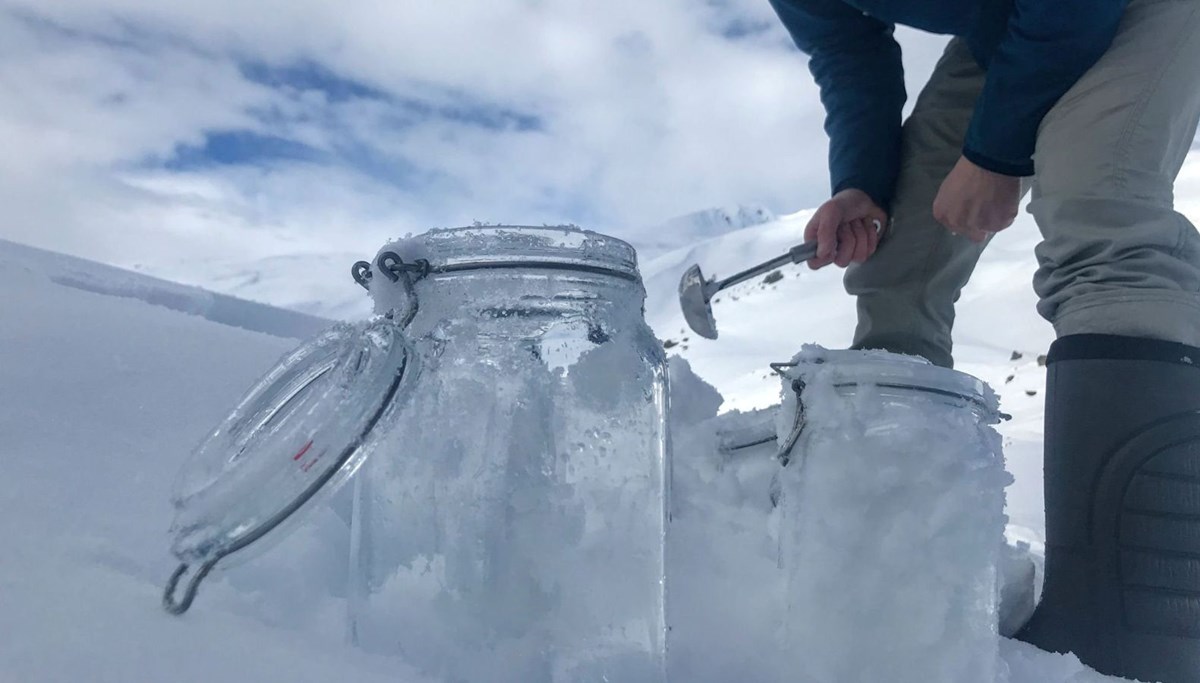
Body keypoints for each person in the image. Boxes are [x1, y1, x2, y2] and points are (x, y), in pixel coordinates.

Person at [767, 0, 1200, 680]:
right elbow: (849, 56)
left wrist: (995, 151)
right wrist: (860, 184)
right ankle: (907, 567)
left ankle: (1135, 622)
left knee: (1097, 205)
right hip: (1015, 25)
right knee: (898, 264)